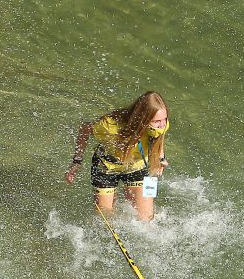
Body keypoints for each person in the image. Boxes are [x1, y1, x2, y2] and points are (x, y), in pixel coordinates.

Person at [65, 91, 169, 222]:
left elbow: (159, 139)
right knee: (105, 220)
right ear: (143, 118)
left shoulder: (161, 125)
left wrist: (160, 158)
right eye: (157, 121)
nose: (162, 125)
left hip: (138, 165)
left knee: (147, 219)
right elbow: (85, 129)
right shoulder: (110, 126)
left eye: (164, 119)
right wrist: (77, 161)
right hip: (106, 167)